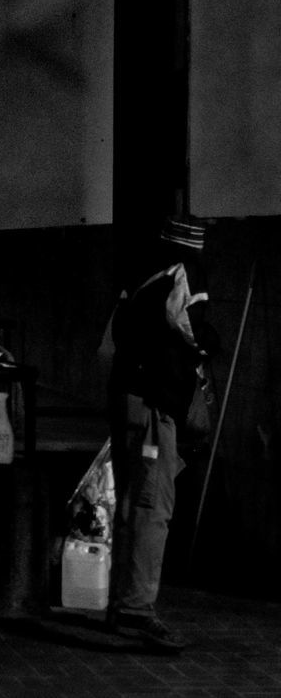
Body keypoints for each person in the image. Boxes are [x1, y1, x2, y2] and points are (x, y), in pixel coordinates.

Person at [103, 215, 217, 653]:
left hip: (128, 397)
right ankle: (137, 610)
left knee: (132, 504)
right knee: (153, 506)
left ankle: (120, 603)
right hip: (152, 405)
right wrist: (208, 344)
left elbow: (110, 340)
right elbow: (186, 321)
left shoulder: (140, 273)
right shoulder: (182, 270)